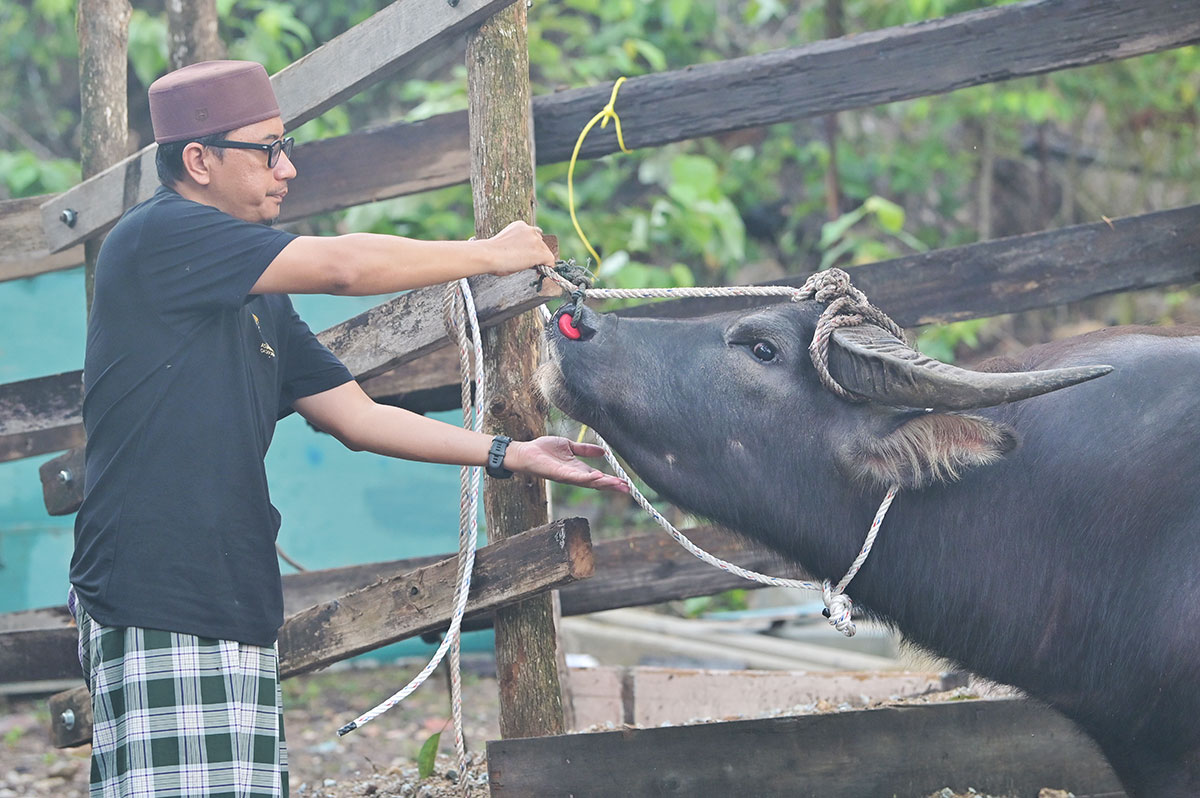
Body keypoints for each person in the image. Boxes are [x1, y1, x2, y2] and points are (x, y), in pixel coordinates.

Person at [68, 59, 625, 798]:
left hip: (231, 590)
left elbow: (357, 418)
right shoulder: (158, 238)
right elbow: (341, 267)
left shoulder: (257, 298)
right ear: (198, 161)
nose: (287, 168)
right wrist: (493, 255)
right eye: (267, 150)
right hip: (157, 589)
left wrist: (510, 451)